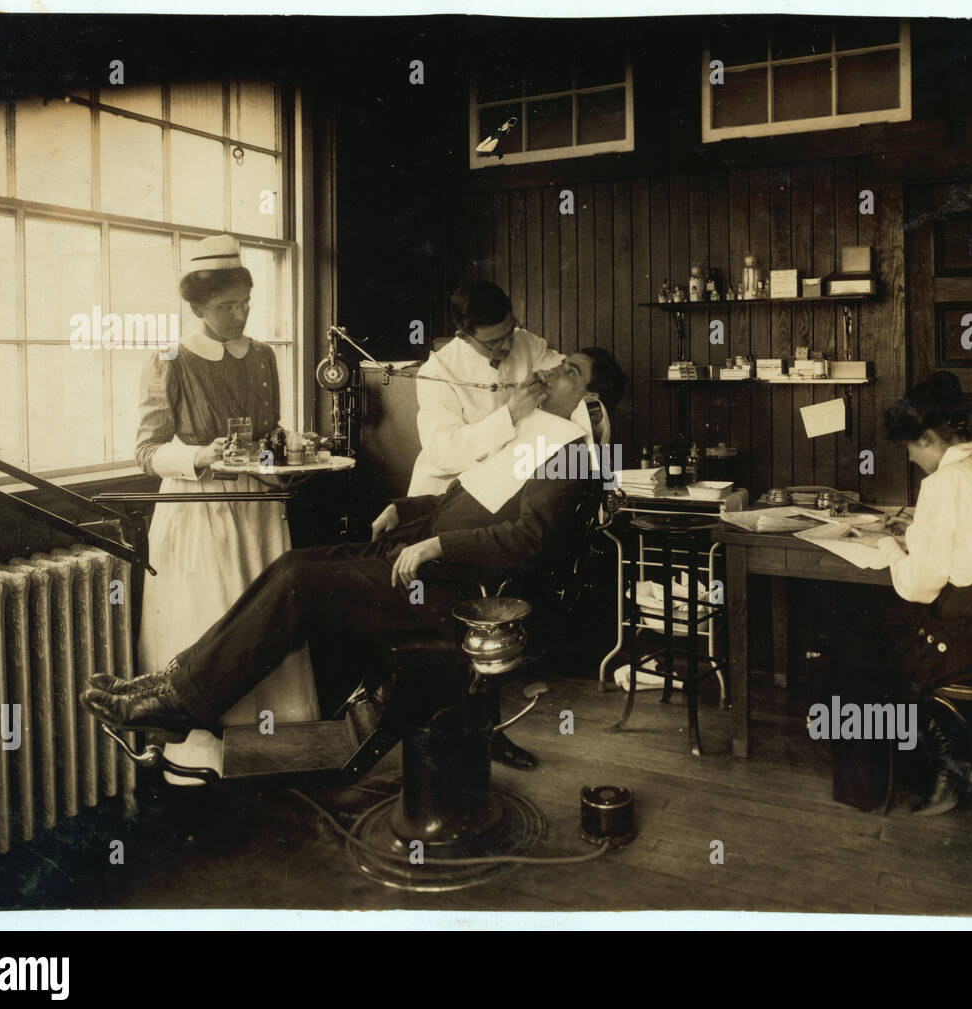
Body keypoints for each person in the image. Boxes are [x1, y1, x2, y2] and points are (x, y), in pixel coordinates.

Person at [85, 350, 626, 770]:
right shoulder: (532, 431)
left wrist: (436, 545)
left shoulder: (571, 451)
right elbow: (466, 501)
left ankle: (181, 702)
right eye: (557, 361)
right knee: (292, 563)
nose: (552, 369)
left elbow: (526, 540)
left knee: (299, 582)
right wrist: (405, 507)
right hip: (422, 558)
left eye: (570, 370)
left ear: (590, 398)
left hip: (460, 591)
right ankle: (171, 684)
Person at [834, 371, 972, 815]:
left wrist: (888, 545)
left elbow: (919, 585)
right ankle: (939, 755)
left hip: (967, 648)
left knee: (853, 644)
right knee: (874, 633)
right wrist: (919, 532)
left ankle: (891, 781)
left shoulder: (942, 485)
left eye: (911, 447)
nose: (911, 459)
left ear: (928, 437)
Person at [134, 234, 319, 733]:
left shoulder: (262, 357)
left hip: (257, 505)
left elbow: (270, 433)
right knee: (211, 622)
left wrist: (290, 447)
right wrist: (200, 455)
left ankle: (273, 747)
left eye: (245, 305)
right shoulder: (169, 359)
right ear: (197, 307)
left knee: (267, 623)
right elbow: (148, 451)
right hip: (200, 509)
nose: (239, 316)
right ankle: (202, 755)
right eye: (225, 307)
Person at [407, 282, 564, 496]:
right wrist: (510, 415)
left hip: (509, 478)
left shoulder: (528, 343)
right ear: (464, 337)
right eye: (494, 343)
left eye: (510, 332)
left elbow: (564, 374)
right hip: (449, 487)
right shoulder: (437, 371)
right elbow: (444, 452)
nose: (508, 346)